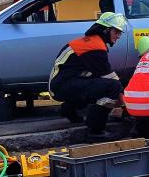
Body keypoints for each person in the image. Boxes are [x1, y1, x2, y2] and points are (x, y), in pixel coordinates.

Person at [48, 12, 128, 141]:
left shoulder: (89, 43)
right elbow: (110, 78)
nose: (118, 36)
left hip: (61, 85)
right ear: (106, 30)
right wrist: (126, 107)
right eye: (117, 32)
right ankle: (96, 130)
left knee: (100, 84)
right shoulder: (95, 47)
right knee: (112, 87)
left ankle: (69, 109)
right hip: (63, 86)